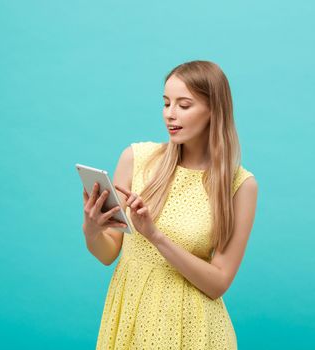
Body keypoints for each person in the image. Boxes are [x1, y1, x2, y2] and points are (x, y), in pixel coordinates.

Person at [82, 60, 259, 349]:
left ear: (213, 110)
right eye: (166, 103)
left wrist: (155, 236)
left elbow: (218, 283)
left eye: (184, 105)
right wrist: (91, 229)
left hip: (195, 330)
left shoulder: (240, 186)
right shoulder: (135, 158)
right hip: (131, 319)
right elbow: (107, 253)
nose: (170, 115)